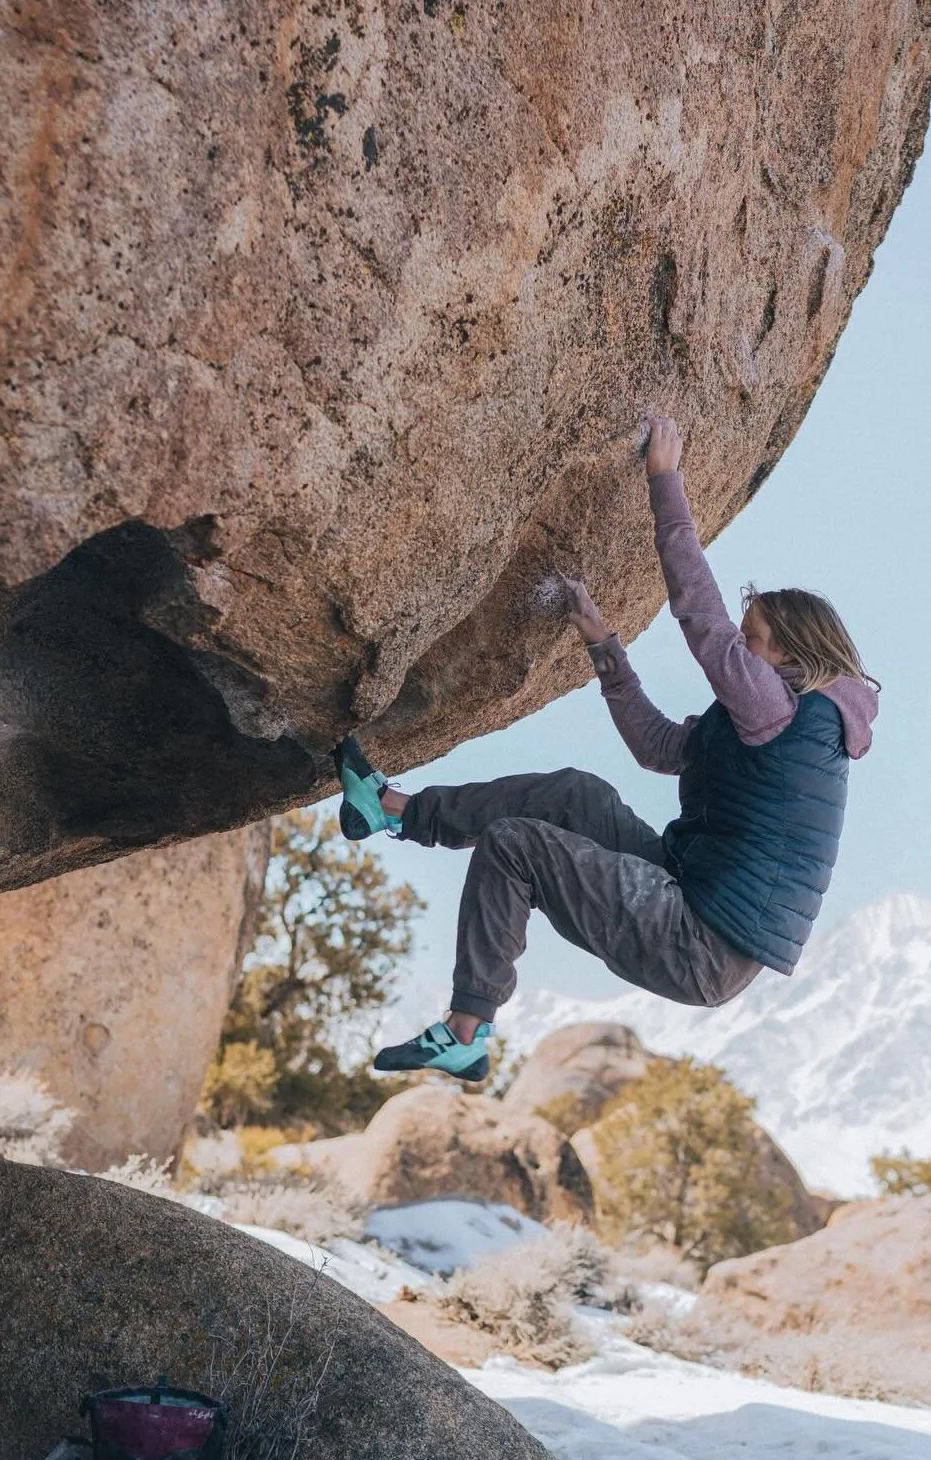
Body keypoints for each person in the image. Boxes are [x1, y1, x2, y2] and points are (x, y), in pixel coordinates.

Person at [334, 415, 879, 1081]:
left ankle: (465, 1032)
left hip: (701, 941)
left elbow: (701, 618)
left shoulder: (789, 711)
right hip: (688, 894)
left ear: (792, 651)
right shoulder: (772, 721)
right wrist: (604, 648)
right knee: (574, 795)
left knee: (516, 844)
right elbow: (656, 747)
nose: (743, 646)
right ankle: (389, 809)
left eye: (755, 638)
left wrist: (666, 483)